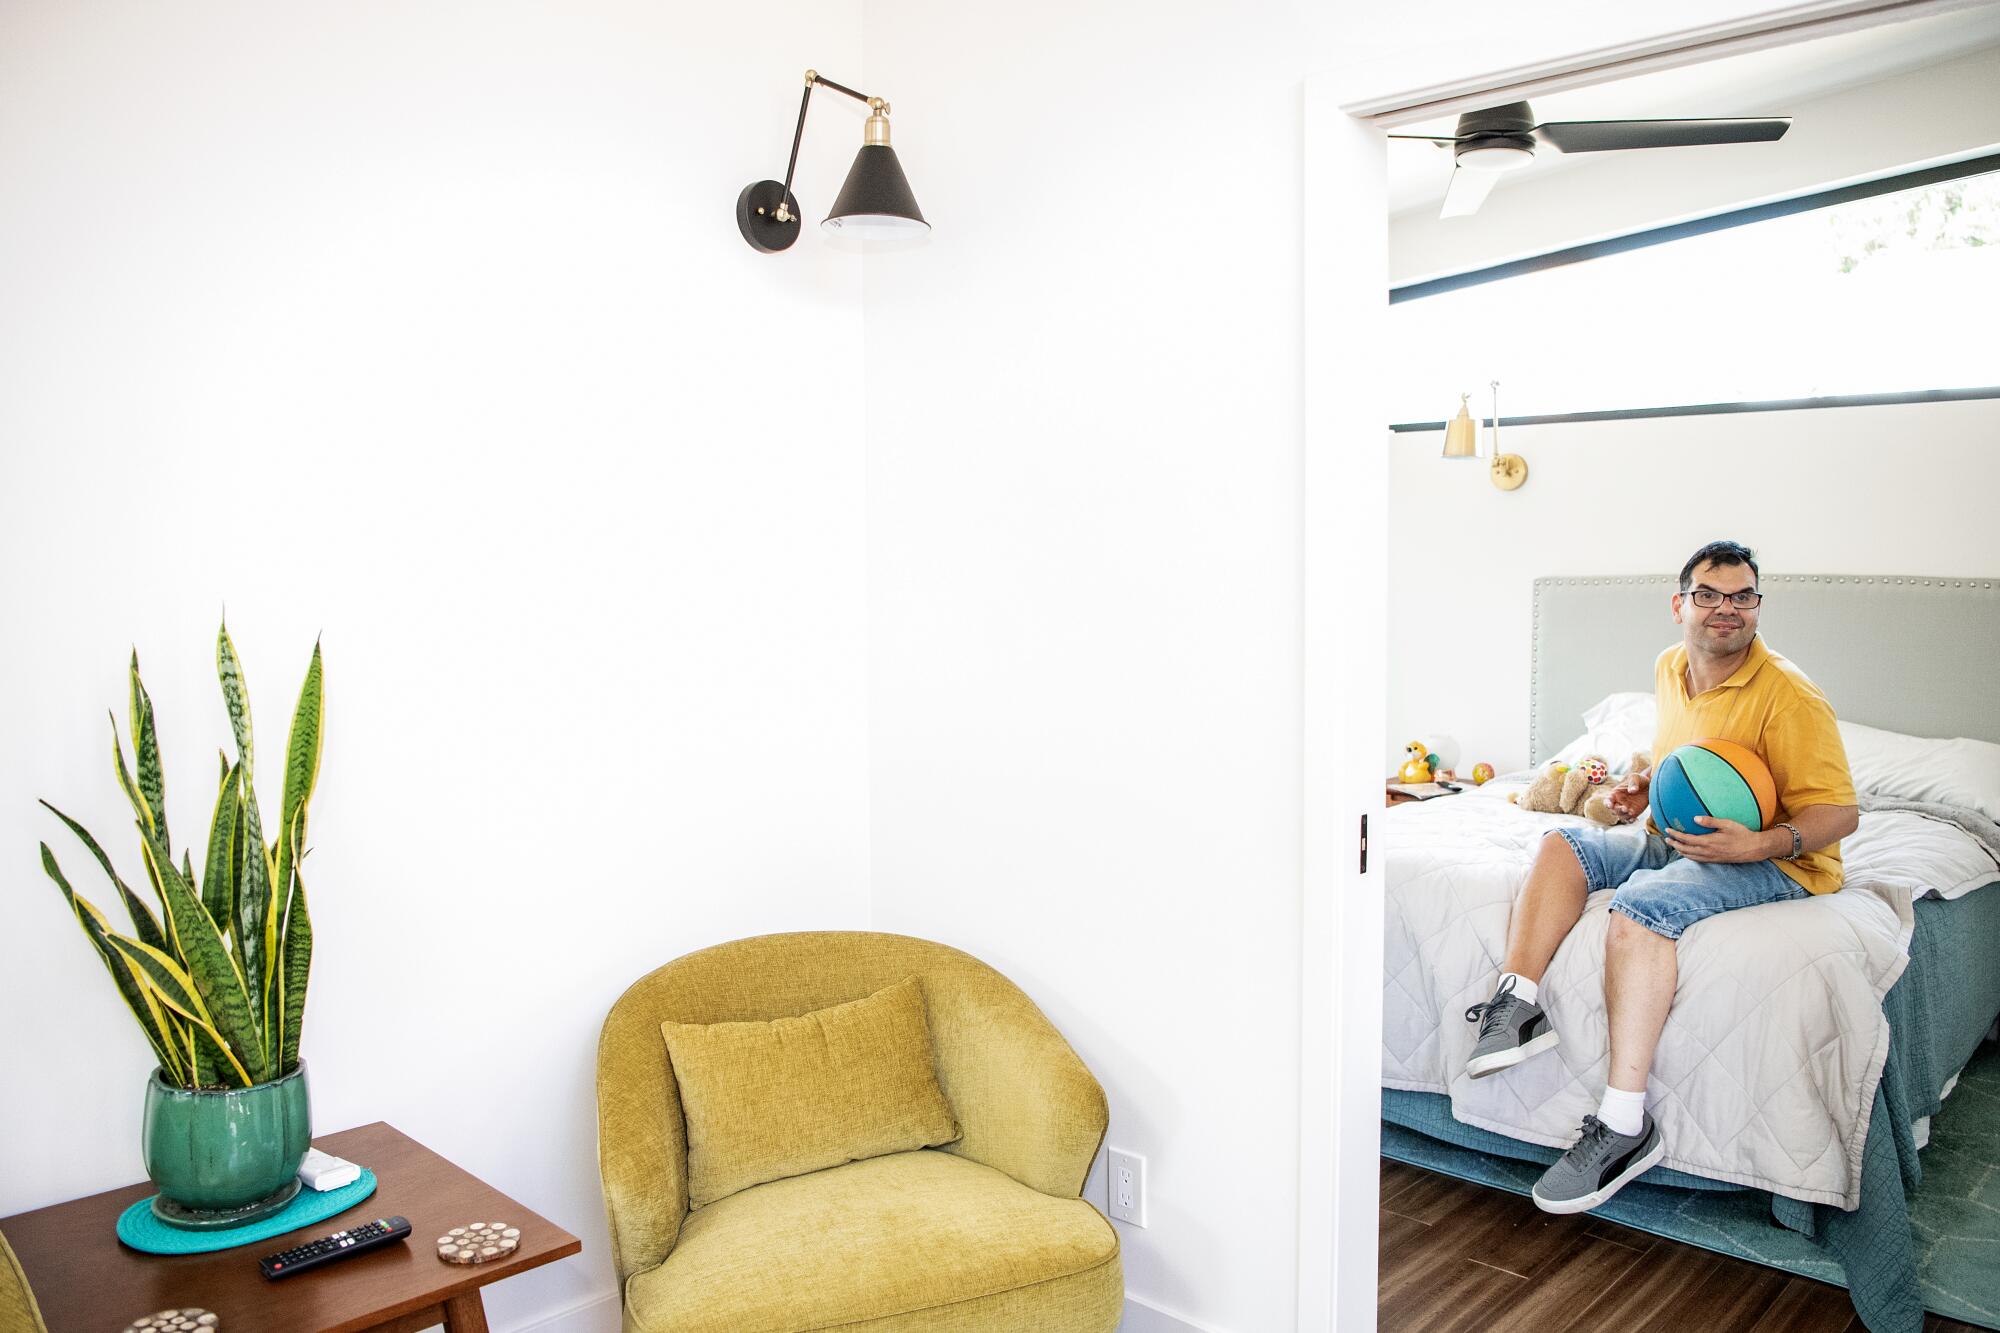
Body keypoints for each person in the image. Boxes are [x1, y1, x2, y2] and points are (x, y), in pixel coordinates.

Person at [1462, 540, 1858, 1214]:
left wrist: (1759, 842)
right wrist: (1644, 787)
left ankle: (1623, 1124)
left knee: (1642, 903)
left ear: (1758, 607)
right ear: (1680, 605)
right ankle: (1519, 1001)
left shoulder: (1790, 696)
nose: (1725, 608)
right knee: (1562, 842)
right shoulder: (1671, 666)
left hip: (1778, 859)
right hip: (1675, 836)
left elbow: (1841, 813)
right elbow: (1685, 757)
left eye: (1742, 597)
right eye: (1709, 594)